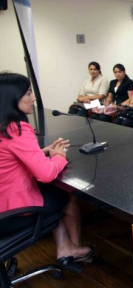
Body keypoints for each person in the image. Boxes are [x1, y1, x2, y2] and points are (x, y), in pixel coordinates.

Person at [0, 72, 94, 270]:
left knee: (51, 194)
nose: (33, 98)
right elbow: (46, 174)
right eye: (28, 93)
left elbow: (8, 159)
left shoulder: (3, 127)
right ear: (13, 98)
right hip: (13, 212)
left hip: (3, 206)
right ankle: (72, 249)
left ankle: (66, 247)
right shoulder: (16, 128)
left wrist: (39, 152)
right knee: (65, 194)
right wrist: (59, 155)